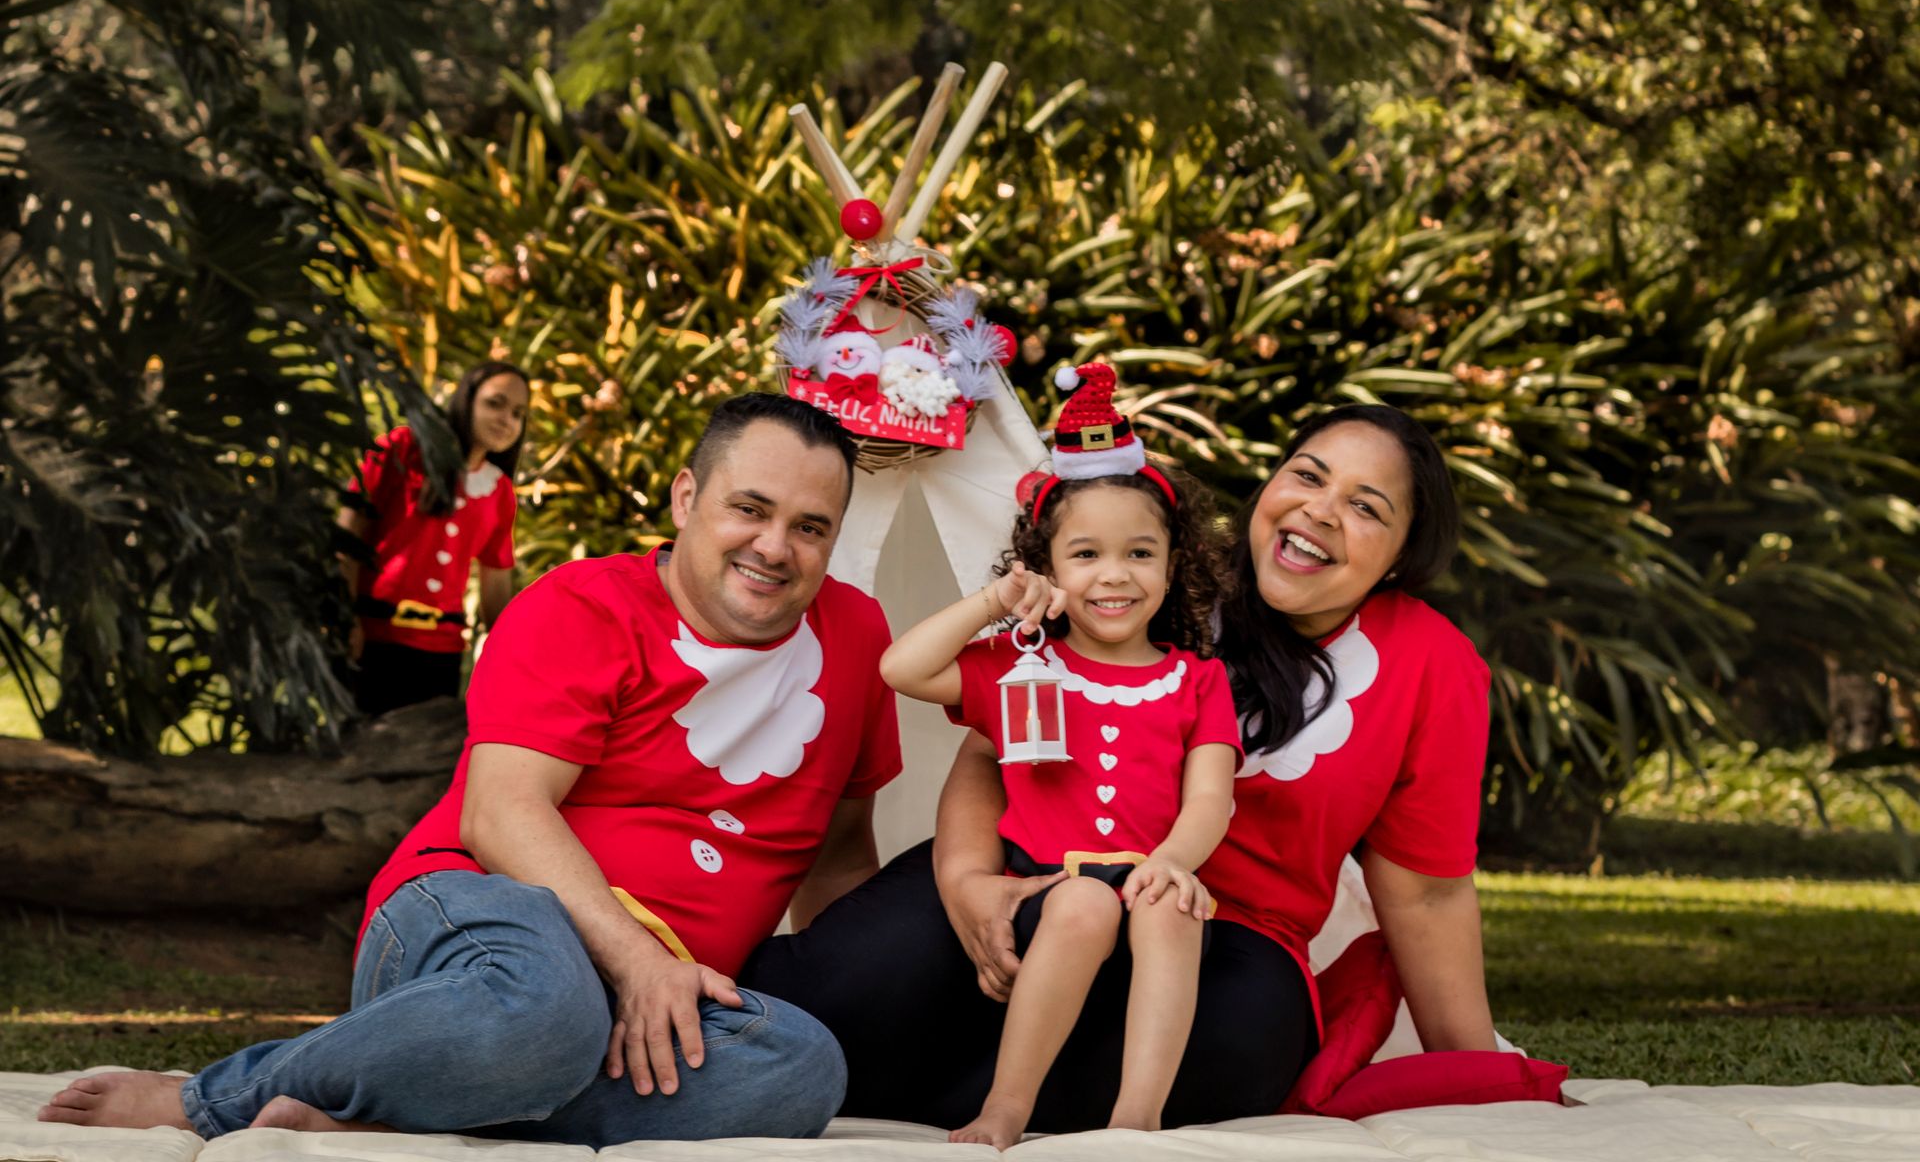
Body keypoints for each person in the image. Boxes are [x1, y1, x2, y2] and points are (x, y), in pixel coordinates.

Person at [40, 392, 901, 1147]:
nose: (775, 546)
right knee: (543, 1007)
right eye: (748, 508)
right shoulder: (581, 605)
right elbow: (503, 814)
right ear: (686, 497)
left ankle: (414, 1101)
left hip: (655, 993)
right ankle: (216, 1098)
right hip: (480, 914)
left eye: (809, 526)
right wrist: (639, 963)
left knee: (801, 1065)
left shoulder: (859, 640)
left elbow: (838, 859)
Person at [743, 401, 1498, 1131]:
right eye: (1308, 475)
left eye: (1367, 507)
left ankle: (936, 1093)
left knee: (1239, 1049)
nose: (1322, 512)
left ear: (1404, 553)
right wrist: (971, 884)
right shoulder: (1138, 577)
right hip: (1032, 872)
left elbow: (1427, 894)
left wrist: (1471, 1067)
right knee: (846, 984)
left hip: (1219, 934)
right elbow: (992, 743)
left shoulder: (1432, 666)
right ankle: (794, 1056)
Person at [878, 362, 1238, 1148]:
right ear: (1048, 566)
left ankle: (1137, 1118)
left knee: (1169, 909)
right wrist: (996, 601)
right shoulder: (1021, 662)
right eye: (1085, 556)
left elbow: (1213, 796)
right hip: (1052, 885)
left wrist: (1173, 862)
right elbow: (901, 668)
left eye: (1140, 554)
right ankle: (1009, 1106)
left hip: (1150, 871)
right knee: (1085, 903)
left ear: (1172, 564)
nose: (1115, 575)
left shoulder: (1196, 679)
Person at [339, 361, 528, 716]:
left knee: (425, 760)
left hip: (441, 652)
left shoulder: (500, 491)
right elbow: (347, 535)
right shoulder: (404, 448)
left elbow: (495, 585)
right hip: (372, 638)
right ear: (466, 400)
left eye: (518, 413)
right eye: (495, 403)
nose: (507, 419)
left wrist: (512, 656)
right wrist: (345, 618)